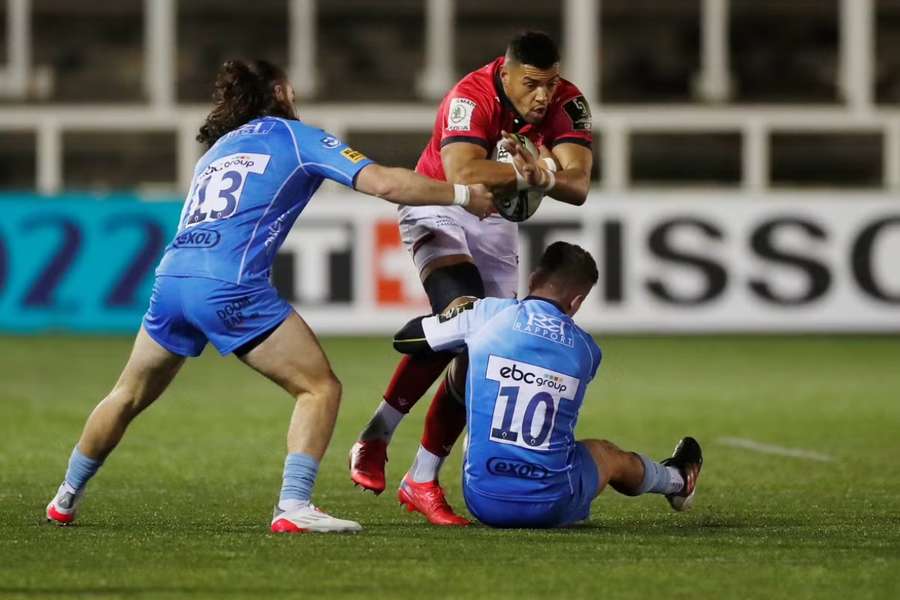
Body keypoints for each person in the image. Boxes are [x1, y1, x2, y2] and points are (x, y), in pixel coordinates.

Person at [44, 58, 495, 534]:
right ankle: (294, 505)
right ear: (280, 91)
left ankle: (65, 498)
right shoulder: (294, 137)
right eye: (292, 92)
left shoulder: (215, 151)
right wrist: (463, 195)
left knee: (126, 394)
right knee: (319, 387)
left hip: (172, 279)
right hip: (228, 284)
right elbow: (382, 183)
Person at [350, 31, 594, 525]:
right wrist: (537, 171)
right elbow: (463, 168)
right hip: (440, 204)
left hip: (496, 223)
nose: (543, 96)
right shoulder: (470, 97)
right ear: (506, 74)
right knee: (462, 315)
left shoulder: (569, 102)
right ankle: (376, 435)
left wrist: (541, 175)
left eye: (549, 82)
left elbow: (580, 184)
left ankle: (420, 478)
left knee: (483, 349)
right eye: (531, 84)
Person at [392, 242, 703, 528]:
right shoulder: (587, 350)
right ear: (577, 301)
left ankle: (424, 471)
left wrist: (458, 316)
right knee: (606, 453)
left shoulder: (487, 314)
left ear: (532, 279)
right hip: (550, 504)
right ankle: (678, 480)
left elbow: (406, 339)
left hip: (483, 500)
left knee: (471, 364)